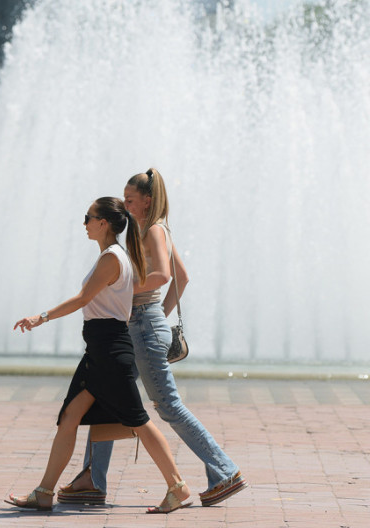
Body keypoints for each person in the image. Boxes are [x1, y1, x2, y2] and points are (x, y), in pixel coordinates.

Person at [58, 169, 247, 508]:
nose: (125, 205)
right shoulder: (149, 228)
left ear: (146, 201)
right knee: (106, 394)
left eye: (130, 200)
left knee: (168, 406)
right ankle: (91, 478)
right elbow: (182, 278)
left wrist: (123, 290)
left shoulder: (154, 229)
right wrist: (157, 314)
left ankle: (224, 471)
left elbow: (163, 275)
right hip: (141, 324)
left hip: (142, 328)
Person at [4, 196, 191, 514]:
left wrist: (41, 317)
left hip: (109, 351)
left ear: (104, 223)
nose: (84, 223)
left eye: (88, 217)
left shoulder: (112, 258)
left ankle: (177, 486)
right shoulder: (117, 255)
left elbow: (82, 299)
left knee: (139, 421)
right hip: (101, 349)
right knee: (70, 416)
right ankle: (44, 491)